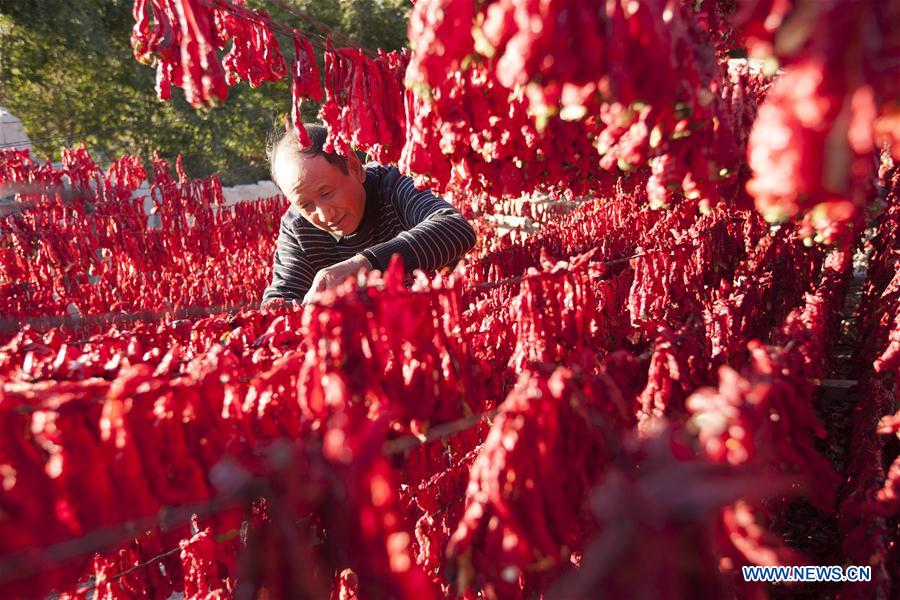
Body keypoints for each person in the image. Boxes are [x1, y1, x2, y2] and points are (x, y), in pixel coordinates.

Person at [261, 123, 477, 306]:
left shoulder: (395, 183)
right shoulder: (297, 227)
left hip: (445, 321)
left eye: (326, 193)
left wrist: (363, 264)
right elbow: (283, 297)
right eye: (306, 204)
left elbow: (455, 229)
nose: (325, 214)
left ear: (355, 168)